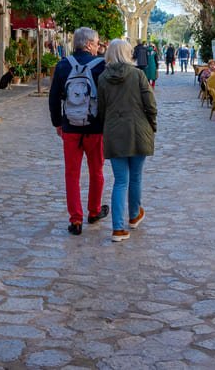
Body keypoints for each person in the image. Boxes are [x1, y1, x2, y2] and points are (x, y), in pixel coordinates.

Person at [48, 27, 109, 236]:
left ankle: (75, 219)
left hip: (70, 127)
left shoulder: (63, 65)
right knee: (96, 171)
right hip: (95, 128)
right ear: (89, 44)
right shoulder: (101, 65)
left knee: (72, 174)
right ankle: (94, 211)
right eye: (97, 43)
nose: (98, 46)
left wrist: (58, 123)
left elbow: (54, 97)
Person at [98, 38, 158, 242]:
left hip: (115, 133)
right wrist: (152, 125)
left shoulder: (103, 78)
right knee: (136, 177)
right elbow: (150, 104)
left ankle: (117, 228)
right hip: (138, 130)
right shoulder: (138, 74)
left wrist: (105, 128)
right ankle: (133, 215)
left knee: (120, 181)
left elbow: (101, 109)